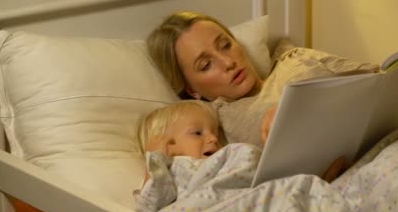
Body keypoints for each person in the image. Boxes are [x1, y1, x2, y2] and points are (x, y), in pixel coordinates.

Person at [147, 12, 380, 147]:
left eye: (226, 45)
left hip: (390, 135)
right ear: (191, 88)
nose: (228, 62)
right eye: (206, 65)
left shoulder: (294, 58)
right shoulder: (216, 125)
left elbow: (383, 80)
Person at [135, 100, 353, 188]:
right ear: (168, 148)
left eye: (215, 133)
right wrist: (154, 162)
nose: (212, 139)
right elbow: (148, 211)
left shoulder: (225, 160)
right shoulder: (174, 172)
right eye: (197, 133)